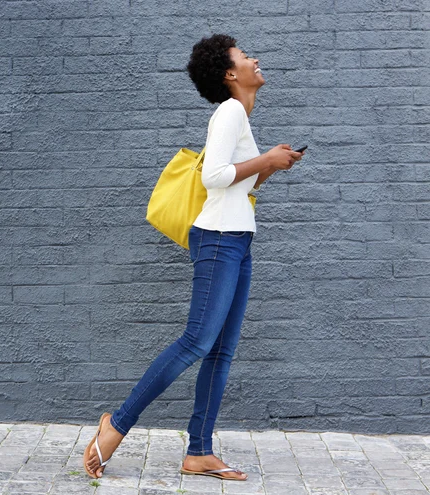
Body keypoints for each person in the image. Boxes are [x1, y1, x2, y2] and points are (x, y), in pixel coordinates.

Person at [83, 33, 305, 481]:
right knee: (197, 342)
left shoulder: (241, 115)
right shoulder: (229, 111)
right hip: (219, 238)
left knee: (221, 352)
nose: (255, 59)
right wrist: (265, 159)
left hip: (238, 238)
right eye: (245, 56)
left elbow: (238, 184)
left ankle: (199, 451)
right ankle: (117, 425)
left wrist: (269, 167)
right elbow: (214, 177)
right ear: (229, 73)